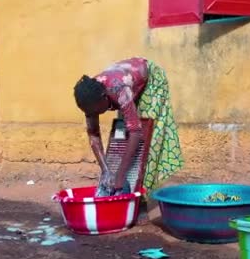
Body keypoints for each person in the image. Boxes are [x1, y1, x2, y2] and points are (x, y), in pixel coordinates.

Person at [73, 57, 183, 195]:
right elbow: (93, 134)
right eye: (88, 113)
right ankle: (128, 193)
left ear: (104, 97)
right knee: (123, 138)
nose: (92, 115)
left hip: (150, 82)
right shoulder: (89, 98)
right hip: (128, 85)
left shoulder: (118, 90)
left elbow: (136, 132)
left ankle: (141, 197)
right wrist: (106, 171)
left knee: (148, 139)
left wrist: (119, 175)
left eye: (94, 111)